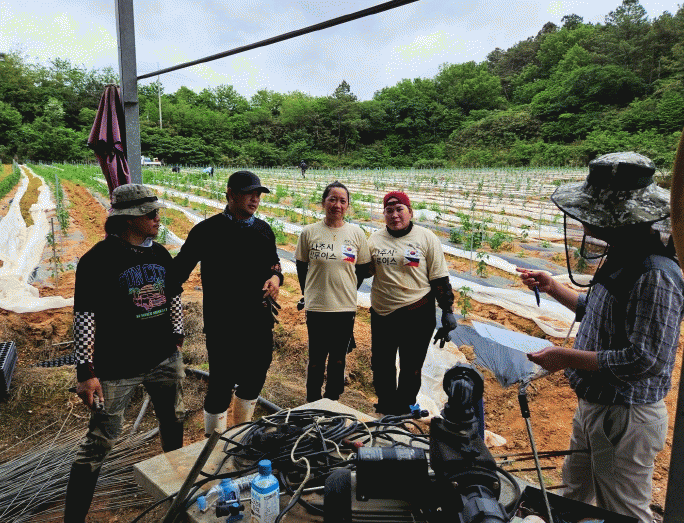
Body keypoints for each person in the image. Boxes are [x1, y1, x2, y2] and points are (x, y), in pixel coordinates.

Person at [518, 152, 684, 523]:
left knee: (621, 510)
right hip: (597, 409)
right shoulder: (624, 255)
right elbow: (595, 311)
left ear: (617, 219)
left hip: (623, 420)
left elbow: (645, 359)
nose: (585, 221)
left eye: (592, 213)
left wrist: (565, 357)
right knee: (575, 496)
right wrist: (553, 287)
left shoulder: (655, 274)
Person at [65, 184, 185, 523]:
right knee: (99, 442)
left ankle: (177, 490)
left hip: (164, 359)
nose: (157, 218)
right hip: (116, 368)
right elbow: (85, 316)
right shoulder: (97, 261)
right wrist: (86, 371)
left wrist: (177, 337)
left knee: (173, 419)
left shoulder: (160, 254)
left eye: (156, 212)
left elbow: (174, 295)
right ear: (129, 219)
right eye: (150, 214)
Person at [173, 171, 282, 435]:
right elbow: (177, 272)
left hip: (258, 320)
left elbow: (274, 264)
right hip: (223, 323)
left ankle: (240, 431)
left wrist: (276, 278)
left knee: (256, 375)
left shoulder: (263, 230)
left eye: (258, 194)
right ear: (231, 194)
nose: (255, 199)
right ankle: (214, 442)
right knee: (221, 384)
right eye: (249, 194)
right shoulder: (206, 231)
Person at [367, 191, 457, 415]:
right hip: (383, 314)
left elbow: (439, 278)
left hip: (417, 313)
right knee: (382, 365)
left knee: (411, 367)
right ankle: (386, 408)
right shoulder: (374, 240)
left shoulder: (426, 238)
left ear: (410, 212)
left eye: (400, 210)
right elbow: (362, 272)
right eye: (389, 211)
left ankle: (404, 410)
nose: (394, 215)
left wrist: (447, 310)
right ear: (384, 214)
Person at [295, 181, 371, 402]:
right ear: (323, 202)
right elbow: (301, 266)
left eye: (342, 201)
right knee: (316, 359)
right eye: (332, 199)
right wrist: (308, 292)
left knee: (338, 359)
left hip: (344, 307)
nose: (337, 205)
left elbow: (363, 269)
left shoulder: (356, 233)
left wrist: (348, 288)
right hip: (317, 306)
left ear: (347, 206)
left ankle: (332, 400)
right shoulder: (309, 232)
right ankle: (312, 400)